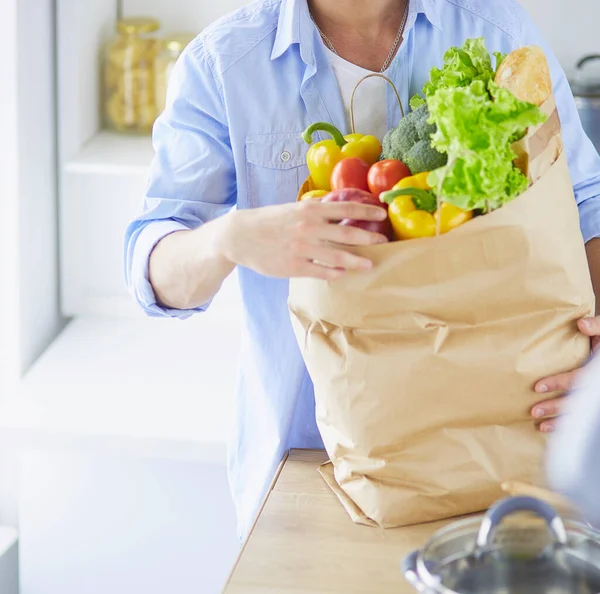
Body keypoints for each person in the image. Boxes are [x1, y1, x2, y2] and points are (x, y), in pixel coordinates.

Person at [124, 0, 600, 540]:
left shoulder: (495, 29)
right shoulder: (223, 63)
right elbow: (155, 266)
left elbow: (585, 200)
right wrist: (231, 239)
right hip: (301, 459)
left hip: (496, 445)